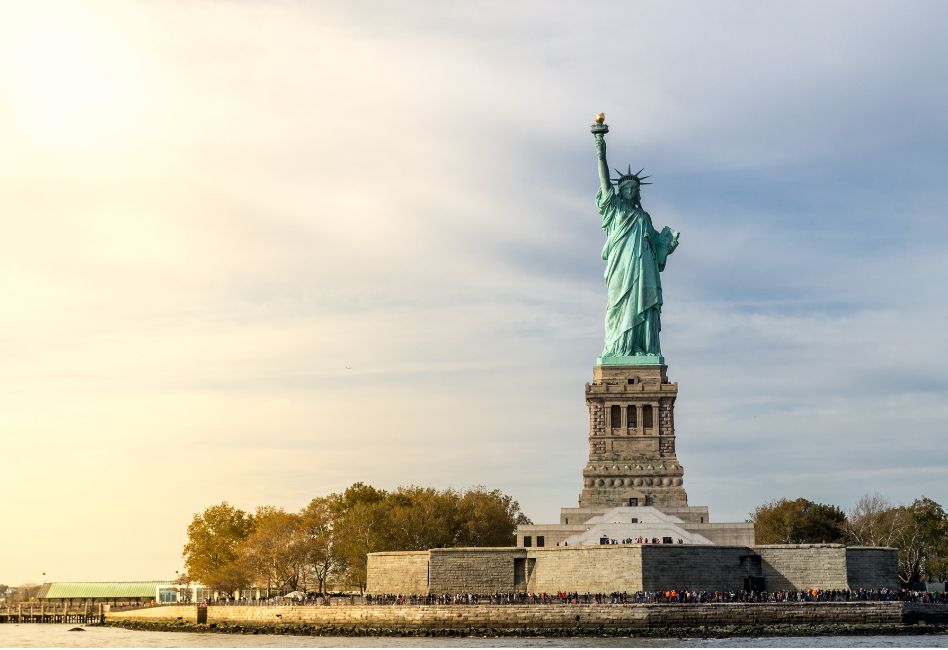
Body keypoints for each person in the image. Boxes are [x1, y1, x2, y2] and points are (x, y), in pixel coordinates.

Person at [593, 129, 679, 358]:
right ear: (620, 192)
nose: (631, 191)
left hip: (644, 268)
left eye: (634, 189)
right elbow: (604, 181)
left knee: (643, 304)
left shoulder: (645, 217)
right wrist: (600, 148)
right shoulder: (614, 210)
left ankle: (641, 346)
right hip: (621, 268)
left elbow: (657, 247)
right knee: (619, 305)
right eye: (627, 188)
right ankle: (619, 348)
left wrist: (667, 245)